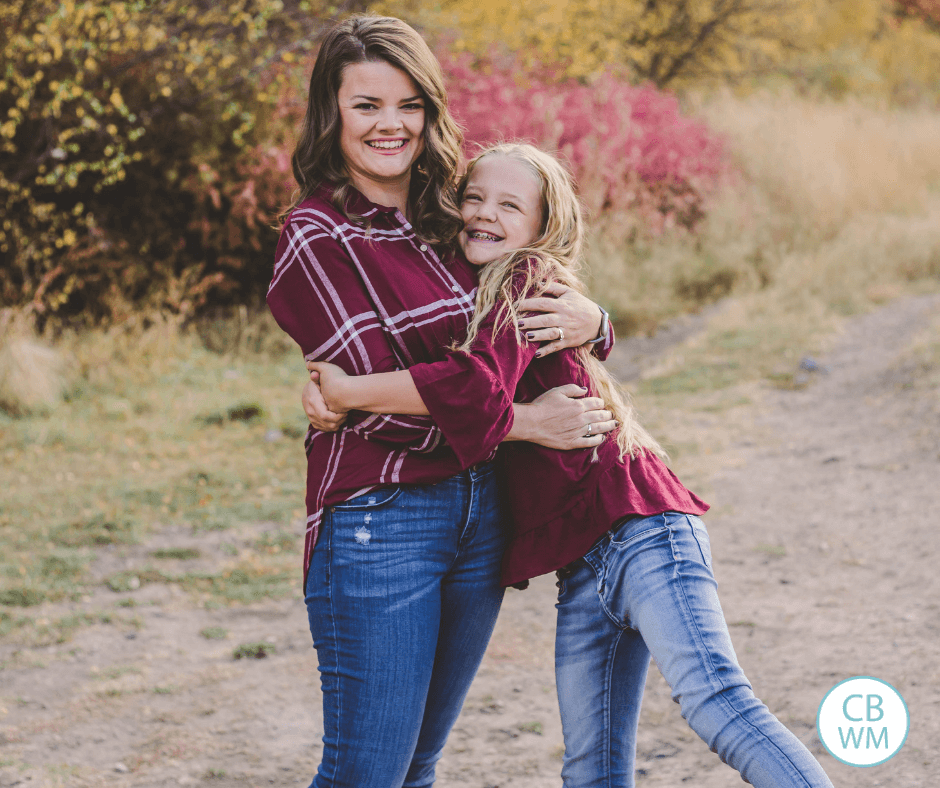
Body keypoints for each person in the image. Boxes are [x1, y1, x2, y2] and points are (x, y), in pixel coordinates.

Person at [307, 143, 835, 788]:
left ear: (541, 227)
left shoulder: (521, 282)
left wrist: (350, 391)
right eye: (474, 197)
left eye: (509, 205)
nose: (484, 213)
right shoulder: (472, 288)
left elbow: (474, 390)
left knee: (717, 703)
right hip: (582, 565)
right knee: (593, 767)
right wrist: (599, 324)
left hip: (641, 531)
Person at [266, 17, 618, 788]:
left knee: (419, 766)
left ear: (430, 108)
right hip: (381, 517)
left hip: (482, 510)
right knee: (369, 771)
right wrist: (527, 424)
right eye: (366, 106)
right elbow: (378, 409)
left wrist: (597, 322)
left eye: (408, 104)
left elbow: (533, 316)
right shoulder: (317, 235)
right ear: (332, 113)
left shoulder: (459, 211)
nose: (390, 124)